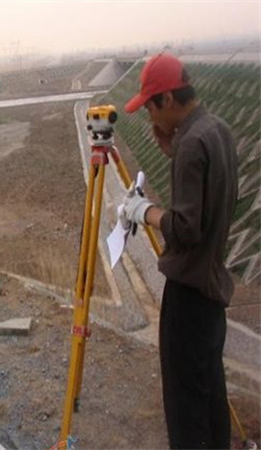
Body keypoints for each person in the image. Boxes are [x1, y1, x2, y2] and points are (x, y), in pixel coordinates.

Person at [122, 53, 238, 448]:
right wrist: (174, 153)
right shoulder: (216, 130)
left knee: (185, 407)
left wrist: (144, 211)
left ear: (167, 99)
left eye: (151, 108)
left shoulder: (192, 144)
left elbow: (187, 227)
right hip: (211, 294)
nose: (150, 119)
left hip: (188, 299)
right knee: (211, 396)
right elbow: (209, 198)